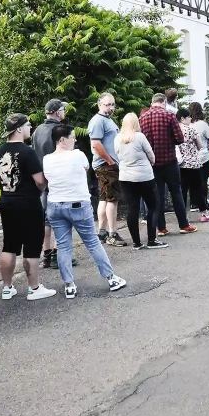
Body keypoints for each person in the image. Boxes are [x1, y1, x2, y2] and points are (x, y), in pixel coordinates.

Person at [43, 125, 128, 298]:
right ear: (62, 140)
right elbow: (85, 169)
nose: (74, 140)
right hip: (77, 204)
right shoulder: (78, 155)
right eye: (72, 137)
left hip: (55, 205)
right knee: (92, 242)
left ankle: (69, 286)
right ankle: (111, 278)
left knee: (63, 245)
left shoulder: (46, 159)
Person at [0, 114, 57, 302]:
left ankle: (6, 287)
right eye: (28, 125)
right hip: (28, 203)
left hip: (7, 202)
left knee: (9, 244)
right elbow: (40, 181)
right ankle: (34, 288)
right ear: (19, 128)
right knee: (31, 245)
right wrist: (40, 188)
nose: (30, 128)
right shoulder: (28, 152)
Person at [140, 93, 198, 234]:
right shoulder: (169, 116)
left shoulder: (142, 118)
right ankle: (183, 225)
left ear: (152, 102)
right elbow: (179, 138)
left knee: (158, 195)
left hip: (152, 163)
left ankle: (161, 228)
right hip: (169, 160)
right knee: (176, 193)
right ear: (164, 102)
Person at [115, 113, 167, 250]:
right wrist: (150, 162)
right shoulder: (140, 137)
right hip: (144, 177)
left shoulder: (117, 138)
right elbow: (151, 155)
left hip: (125, 178)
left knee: (132, 208)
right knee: (153, 206)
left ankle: (136, 243)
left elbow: (117, 156)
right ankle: (151, 239)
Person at [31, 99, 68, 269]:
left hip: (41, 179)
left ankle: (47, 254)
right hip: (57, 178)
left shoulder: (37, 130)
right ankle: (58, 255)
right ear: (56, 112)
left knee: (46, 219)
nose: (64, 112)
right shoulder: (59, 130)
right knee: (60, 219)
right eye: (63, 109)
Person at [88, 93, 127, 247]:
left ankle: (102, 232)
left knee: (105, 198)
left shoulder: (107, 120)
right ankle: (112, 233)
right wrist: (110, 161)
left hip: (107, 165)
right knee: (112, 199)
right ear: (99, 105)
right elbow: (96, 144)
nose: (110, 107)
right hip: (105, 165)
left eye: (112, 104)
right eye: (107, 105)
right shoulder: (98, 121)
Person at [177, 108, 209, 222]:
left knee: (182, 190)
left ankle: (183, 216)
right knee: (197, 189)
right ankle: (205, 212)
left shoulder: (175, 130)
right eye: (188, 117)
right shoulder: (191, 130)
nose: (190, 118)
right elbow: (200, 146)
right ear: (182, 118)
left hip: (180, 164)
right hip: (193, 163)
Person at [189, 102, 209, 214]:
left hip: (191, 157)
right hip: (203, 155)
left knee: (192, 181)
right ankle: (203, 202)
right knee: (203, 180)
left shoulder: (187, 124)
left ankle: (193, 203)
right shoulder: (203, 124)